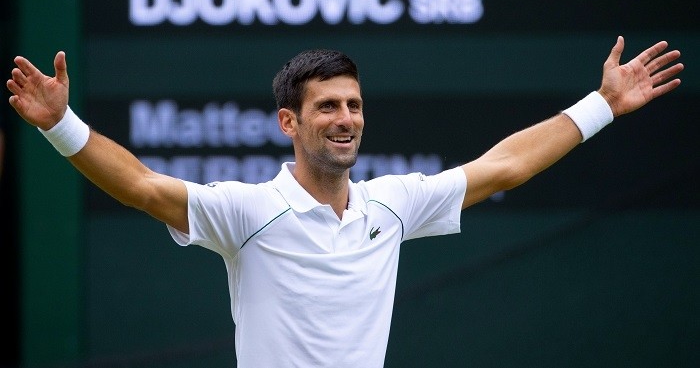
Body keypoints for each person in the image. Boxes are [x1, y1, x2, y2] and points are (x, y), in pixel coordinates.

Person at [7, 36, 683, 367]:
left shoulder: (390, 205)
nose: (345, 117)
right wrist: (60, 124)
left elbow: (503, 167)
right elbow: (141, 186)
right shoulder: (247, 210)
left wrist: (603, 104)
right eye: (326, 105)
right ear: (289, 123)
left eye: (354, 105)